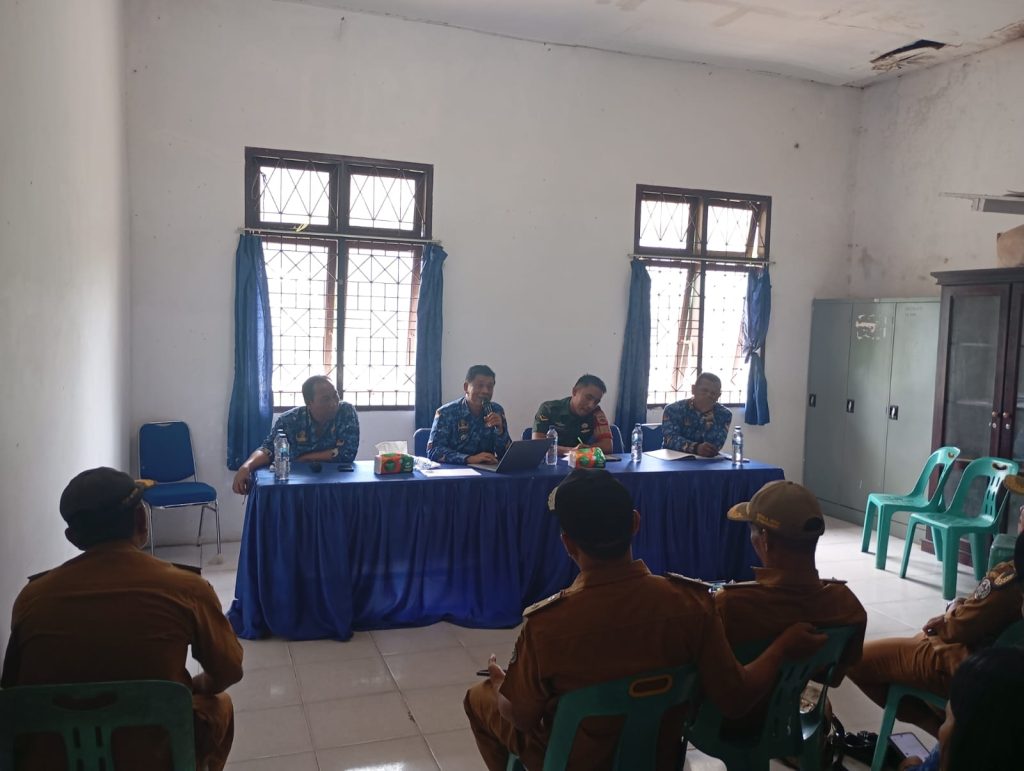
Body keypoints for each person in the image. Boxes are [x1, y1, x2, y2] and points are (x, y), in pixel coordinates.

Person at [463, 469, 826, 771]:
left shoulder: (547, 626)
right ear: (636, 523)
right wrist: (780, 650)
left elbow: (520, 717)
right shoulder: (693, 604)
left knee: (480, 698)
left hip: (572, 759)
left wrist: (501, 683)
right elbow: (734, 698)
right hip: (659, 755)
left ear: (568, 544)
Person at [1, 467, 243, 771]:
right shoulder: (186, 589)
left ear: (73, 537)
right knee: (219, 706)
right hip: (154, 757)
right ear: (141, 520)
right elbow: (228, 672)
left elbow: (14, 690)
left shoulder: (32, 598)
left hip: (55, 756)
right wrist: (188, 688)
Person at [711, 480, 867, 738]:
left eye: (752, 531)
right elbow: (834, 677)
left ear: (765, 540)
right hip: (793, 719)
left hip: (725, 726)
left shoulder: (731, 604)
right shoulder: (847, 604)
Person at [847, 521, 1024, 737]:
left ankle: (939, 732)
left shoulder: (1011, 580)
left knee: (854, 659)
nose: (1021, 512)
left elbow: (958, 628)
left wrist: (952, 609)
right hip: (994, 670)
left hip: (961, 663)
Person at [232, 374, 359, 494]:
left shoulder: (346, 412)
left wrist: (304, 458)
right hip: (296, 487)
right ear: (309, 402)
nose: (334, 403)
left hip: (336, 485)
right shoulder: (290, 420)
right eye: (325, 399)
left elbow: (347, 453)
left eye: (335, 395)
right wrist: (246, 467)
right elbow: (268, 449)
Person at [427, 364, 511, 465]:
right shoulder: (446, 412)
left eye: (490, 387)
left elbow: (506, 455)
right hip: (455, 471)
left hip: (487, 471)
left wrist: (500, 431)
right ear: (466, 387)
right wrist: (468, 459)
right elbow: (434, 451)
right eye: (480, 385)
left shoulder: (496, 410)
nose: (485, 391)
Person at [532, 374, 614, 454]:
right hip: (552, 460)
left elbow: (607, 446)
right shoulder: (548, 409)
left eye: (596, 402)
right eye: (588, 397)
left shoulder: (596, 412)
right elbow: (538, 444)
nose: (591, 405)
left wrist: (585, 450)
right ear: (574, 392)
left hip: (580, 461)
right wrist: (571, 451)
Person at [661, 372, 731, 457]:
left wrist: (708, 417)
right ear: (693, 389)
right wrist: (695, 448)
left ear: (718, 396)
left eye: (713, 393)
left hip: (705, 461)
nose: (708, 395)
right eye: (704, 391)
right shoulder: (673, 409)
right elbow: (670, 439)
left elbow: (717, 445)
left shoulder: (724, 414)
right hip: (672, 459)